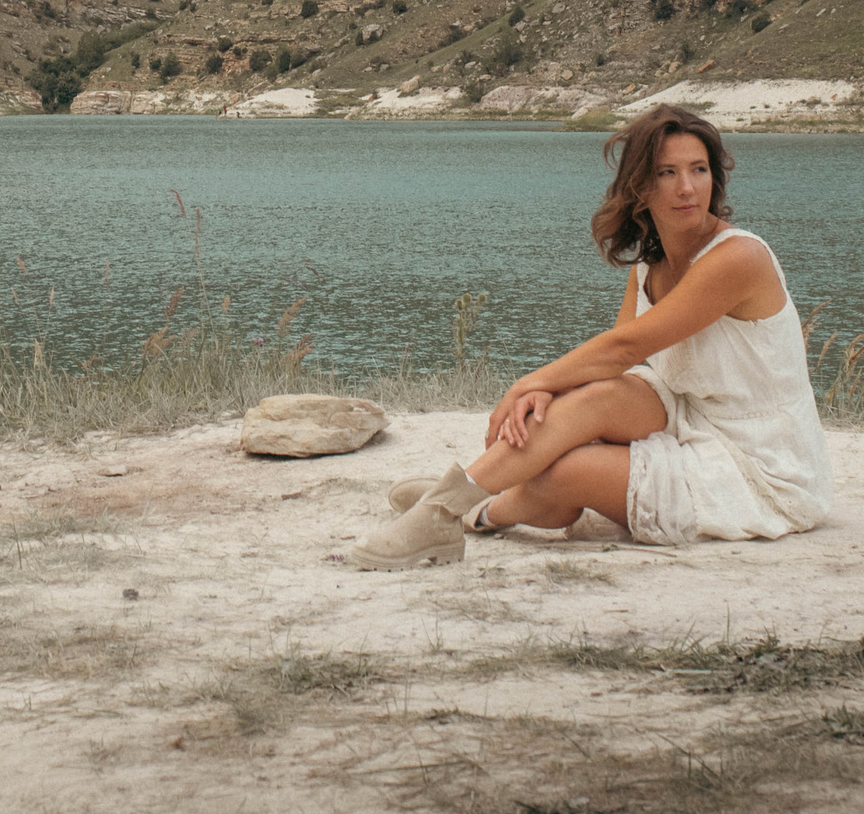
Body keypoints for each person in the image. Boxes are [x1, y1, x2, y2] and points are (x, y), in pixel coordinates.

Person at [350, 103, 831, 569]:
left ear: (714, 177)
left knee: (567, 470)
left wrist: (525, 383)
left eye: (699, 169)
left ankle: (470, 511)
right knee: (593, 397)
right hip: (694, 416)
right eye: (667, 173)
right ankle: (448, 503)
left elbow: (625, 348)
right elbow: (615, 363)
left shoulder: (737, 259)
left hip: (759, 465)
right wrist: (548, 388)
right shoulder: (652, 262)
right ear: (640, 185)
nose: (687, 188)